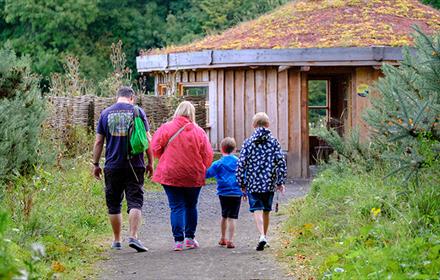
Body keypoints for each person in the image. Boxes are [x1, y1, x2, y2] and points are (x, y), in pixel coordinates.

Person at [92, 86, 153, 252]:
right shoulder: (138, 112)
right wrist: (150, 162)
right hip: (135, 165)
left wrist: (96, 164)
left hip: (112, 165)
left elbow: (98, 142)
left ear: (117, 97)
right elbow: (147, 139)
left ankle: (117, 240)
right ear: (131, 97)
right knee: (135, 201)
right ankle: (133, 237)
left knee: (114, 203)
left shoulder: (105, 113)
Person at [151, 101, 213, 251]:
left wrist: (166, 158)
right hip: (193, 174)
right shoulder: (199, 132)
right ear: (191, 113)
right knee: (191, 206)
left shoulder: (166, 128)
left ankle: (178, 241)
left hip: (170, 173)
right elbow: (208, 155)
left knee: (176, 207)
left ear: (177, 111)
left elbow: (155, 148)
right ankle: (190, 239)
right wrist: (202, 167)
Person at [236, 112, 287, 251]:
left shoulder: (248, 142)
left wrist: (241, 183)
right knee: (266, 211)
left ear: (253, 125)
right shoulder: (274, 142)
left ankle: (262, 235)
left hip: (253, 183)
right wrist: (280, 181)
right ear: (268, 124)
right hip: (269, 182)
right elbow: (281, 162)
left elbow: (241, 164)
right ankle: (264, 236)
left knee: (257, 210)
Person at [206, 137, 243, 249]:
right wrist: (245, 191)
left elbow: (207, 174)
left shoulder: (218, 163)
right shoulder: (239, 162)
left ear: (221, 149)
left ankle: (223, 238)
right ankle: (231, 240)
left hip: (223, 193)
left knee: (224, 215)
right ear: (235, 149)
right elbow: (244, 177)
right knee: (233, 217)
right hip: (236, 193)